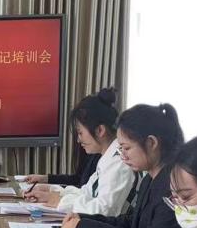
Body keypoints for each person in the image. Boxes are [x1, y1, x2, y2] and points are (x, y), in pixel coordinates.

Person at [61, 102, 191, 228]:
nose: (123, 156)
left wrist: (85, 227)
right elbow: (132, 223)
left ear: (151, 143)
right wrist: (85, 219)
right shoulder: (150, 178)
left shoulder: (173, 187)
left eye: (126, 148)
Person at [24, 88, 137, 217]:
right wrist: (52, 191)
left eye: (80, 133)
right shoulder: (108, 158)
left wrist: (59, 201)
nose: (78, 140)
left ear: (100, 130)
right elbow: (85, 193)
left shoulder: (119, 161)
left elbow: (104, 210)